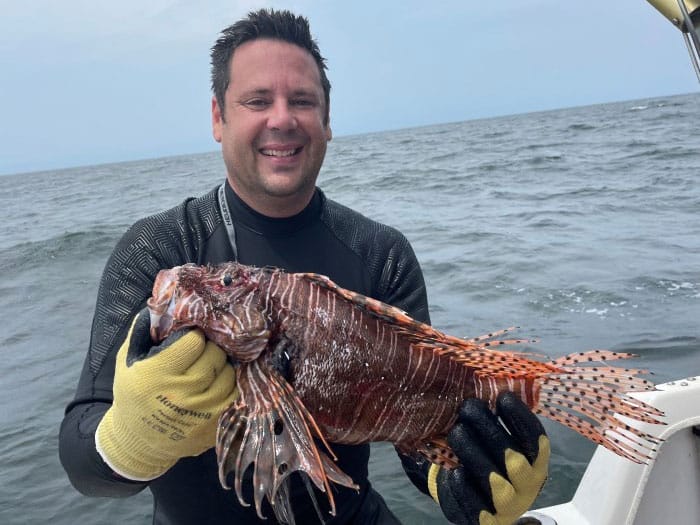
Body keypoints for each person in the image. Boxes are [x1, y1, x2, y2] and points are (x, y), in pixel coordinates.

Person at [59, 8, 549, 525]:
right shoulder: (158, 247)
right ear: (217, 118)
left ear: (327, 120)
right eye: (256, 101)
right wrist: (131, 437)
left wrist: (460, 480)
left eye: (302, 101)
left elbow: (413, 429)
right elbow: (81, 462)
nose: (282, 118)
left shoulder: (381, 252)